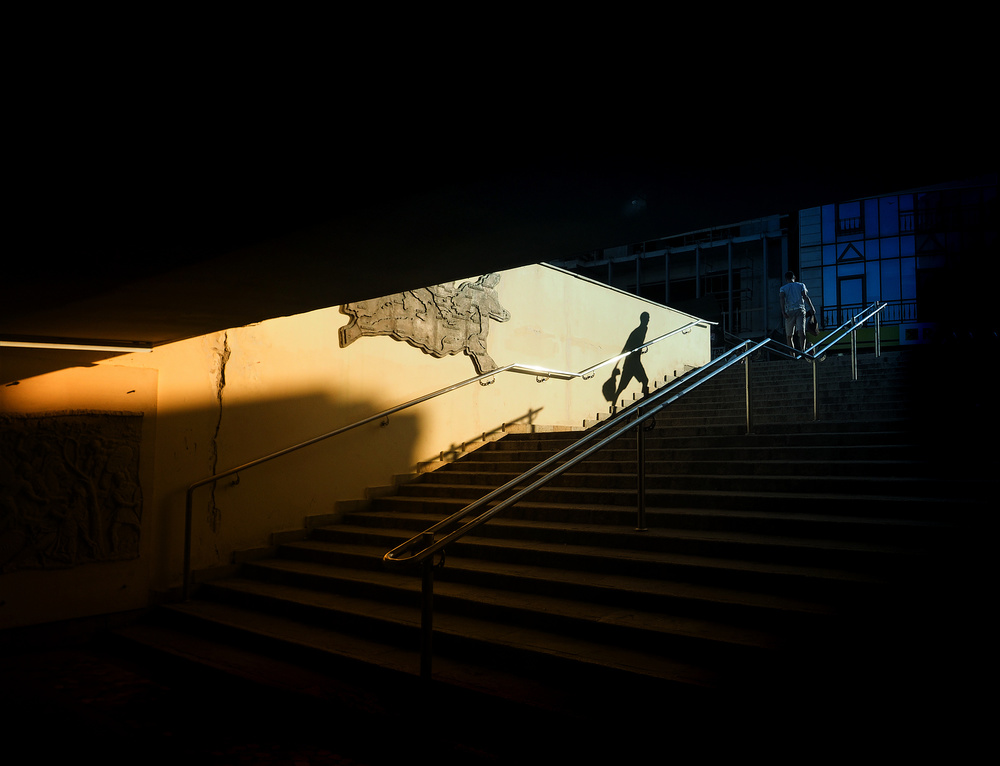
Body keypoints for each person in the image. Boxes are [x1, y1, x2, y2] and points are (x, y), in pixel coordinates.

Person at [613, 312, 651, 407]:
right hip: (632, 361)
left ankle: (644, 400)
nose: (648, 320)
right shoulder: (641, 330)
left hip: (633, 360)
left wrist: (640, 348)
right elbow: (629, 344)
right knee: (643, 380)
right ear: (642, 319)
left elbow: (631, 344)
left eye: (648, 318)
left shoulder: (642, 329)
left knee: (623, 386)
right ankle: (645, 402)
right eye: (647, 318)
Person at [779, 272, 817, 352]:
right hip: (800, 309)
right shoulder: (801, 285)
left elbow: (782, 298)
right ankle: (803, 350)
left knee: (789, 335)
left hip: (789, 311)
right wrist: (812, 307)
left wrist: (783, 311)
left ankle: (792, 354)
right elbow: (805, 296)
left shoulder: (783, 288)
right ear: (794, 277)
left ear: (786, 279)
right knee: (801, 331)